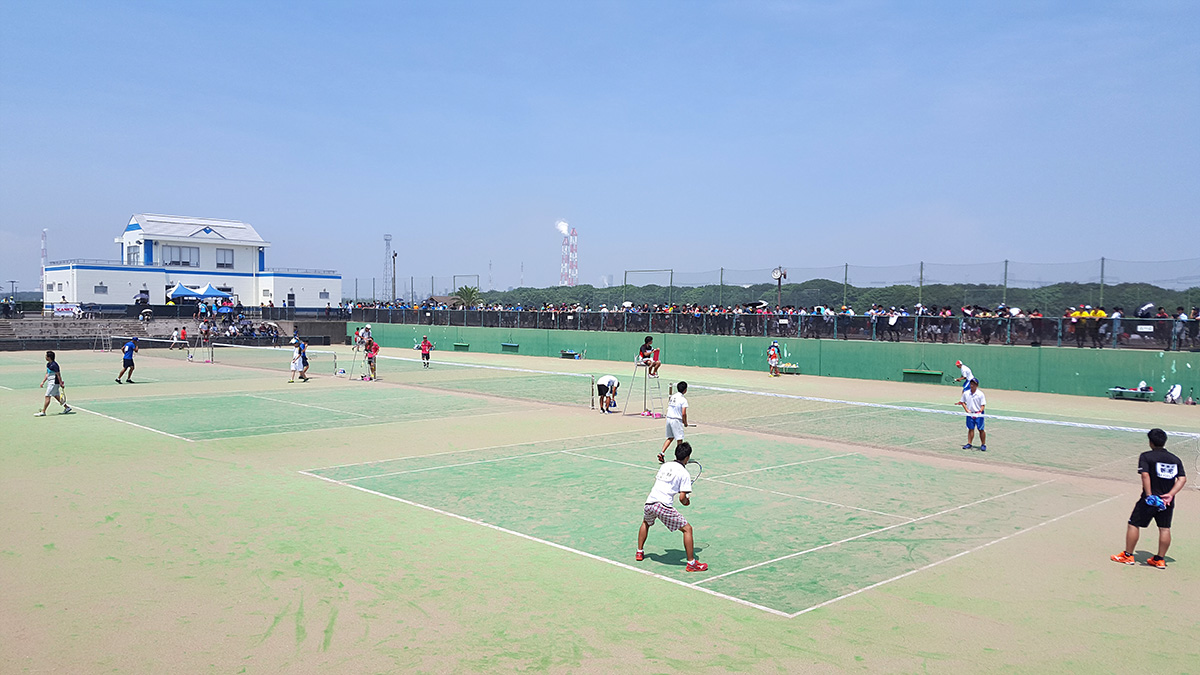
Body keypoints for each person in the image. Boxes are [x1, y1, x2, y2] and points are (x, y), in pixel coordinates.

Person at [1111, 428, 1187, 569]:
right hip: (1166, 502)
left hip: (1150, 499)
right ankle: (1160, 559)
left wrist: (1149, 495)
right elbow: (1182, 479)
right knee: (1164, 528)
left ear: (1150, 442)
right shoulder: (1175, 459)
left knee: (1134, 524)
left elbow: (1145, 475)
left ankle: (1128, 556)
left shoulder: (1146, 456)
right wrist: (1170, 494)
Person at [636, 441, 707, 572]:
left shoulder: (665, 465)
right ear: (687, 458)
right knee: (687, 529)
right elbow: (682, 499)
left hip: (650, 502)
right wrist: (687, 501)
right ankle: (691, 564)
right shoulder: (685, 473)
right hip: (663, 506)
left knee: (646, 522)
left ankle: (639, 552)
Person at [659, 381, 689, 462]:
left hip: (669, 419)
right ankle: (679, 458)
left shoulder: (673, 397)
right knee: (679, 440)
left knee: (670, 437)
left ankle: (661, 453)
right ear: (685, 390)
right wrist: (685, 422)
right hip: (676, 420)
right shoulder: (683, 400)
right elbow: (683, 413)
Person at [37, 350, 71, 416]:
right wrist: (43, 382)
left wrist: (61, 383)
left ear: (49, 357)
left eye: (46, 356)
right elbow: (47, 374)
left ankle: (43, 411)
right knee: (56, 396)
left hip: (54, 383)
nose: (45, 357)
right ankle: (67, 408)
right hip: (50, 382)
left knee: (47, 396)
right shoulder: (48, 364)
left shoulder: (55, 365)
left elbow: (58, 375)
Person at [956, 378, 986, 451]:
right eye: (971, 384)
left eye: (973, 384)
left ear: (977, 385)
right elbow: (962, 402)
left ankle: (983, 444)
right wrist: (966, 409)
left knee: (981, 429)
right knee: (970, 429)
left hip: (979, 414)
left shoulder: (980, 394)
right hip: (970, 414)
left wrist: (979, 411)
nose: (972, 385)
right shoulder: (966, 393)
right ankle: (969, 443)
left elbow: (983, 405)